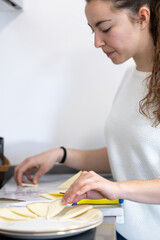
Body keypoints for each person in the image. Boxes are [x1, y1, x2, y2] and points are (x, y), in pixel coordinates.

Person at [14, 0, 160, 239]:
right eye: (93, 30)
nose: (97, 42)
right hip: (127, 232)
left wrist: (115, 188)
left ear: (143, 18)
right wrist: (61, 154)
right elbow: (128, 155)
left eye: (105, 28)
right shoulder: (130, 77)